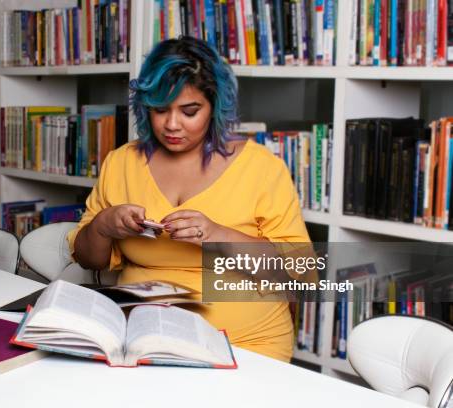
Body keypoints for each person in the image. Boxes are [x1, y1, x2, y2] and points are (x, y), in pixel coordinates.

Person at [67, 36, 311, 362]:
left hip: (245, 347)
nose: (171, 124)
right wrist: (102, 226)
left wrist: (219, 235)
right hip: (143, 340)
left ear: (214, 107)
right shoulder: (122, 162)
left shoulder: (261, 167)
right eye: (159, 110)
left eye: (189, 111)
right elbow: (88, 260)